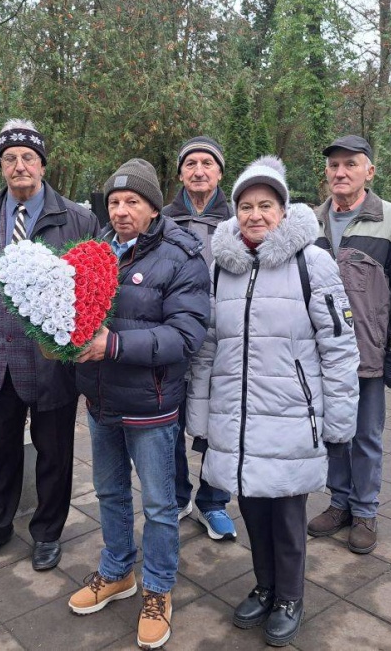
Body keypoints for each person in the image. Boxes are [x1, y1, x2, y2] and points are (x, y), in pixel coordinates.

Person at [187, 156, 360, 646]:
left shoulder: (313, 263)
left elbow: (340, 345)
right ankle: (264, 587)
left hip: (291, 416)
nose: (255, 215)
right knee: (253, 509)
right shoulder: (223, 268)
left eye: (266, 205)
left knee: (286, 516)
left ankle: (290, 596)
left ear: (283, 211)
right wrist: (200, 417)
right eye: (246, 206)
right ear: (235, 211)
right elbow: (207, 348)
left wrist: (339, 421)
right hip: (236, 417)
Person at [0, 118, 99, 573]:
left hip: (51, 363)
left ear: (43, 164)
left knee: (54, 453)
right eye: (9, 159)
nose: (19, 166)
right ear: (1, 167)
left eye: (28, 157)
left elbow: (91, 288)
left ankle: (48, 533)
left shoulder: (76, 218)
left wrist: (81, 344)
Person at [68, 159, 210, 651]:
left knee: (159, 504)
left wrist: (114, 346)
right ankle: (116, 571)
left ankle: (158, 589)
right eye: (114, 202)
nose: (122, 210)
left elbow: (185, 335)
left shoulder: (182, 256)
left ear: (152, 208)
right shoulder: (94, 252)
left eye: (133, 202)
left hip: (150, 404)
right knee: (108, 493)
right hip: (102, 400)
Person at [307, 134, 391, 554]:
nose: (340, 172)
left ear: (369, 171)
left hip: (368, 351)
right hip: (321, 353)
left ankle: (365, 510)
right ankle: (339, 502)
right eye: (334, 165)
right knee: (333, 432)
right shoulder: (311, 222)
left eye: (351, 164)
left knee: (366, 436)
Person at [161, 135, 236, 541]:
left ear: (220, 172)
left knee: (219, 423)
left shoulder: (238, 221)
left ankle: (213, 501)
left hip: (223, 339)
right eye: (190, 164)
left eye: (207, 163)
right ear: (180, 174)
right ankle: (176, 497)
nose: (199, 170)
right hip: (174, 336)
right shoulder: (164, 221)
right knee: (168, 420)